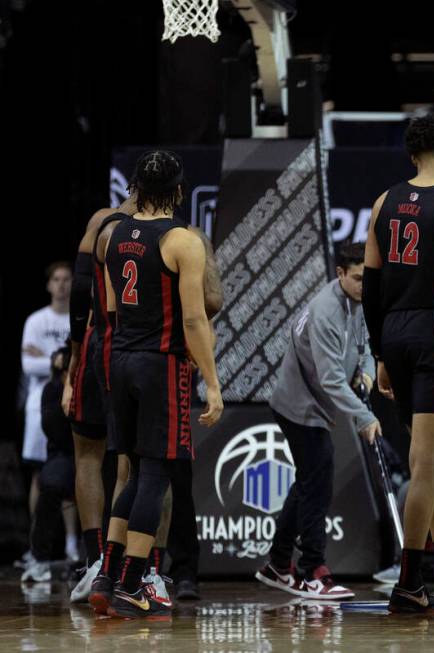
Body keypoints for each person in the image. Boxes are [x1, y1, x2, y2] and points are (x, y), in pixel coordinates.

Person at [90, 150, 222, 619]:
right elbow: (193, 317)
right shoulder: (182, 240)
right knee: (155, 476)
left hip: (119, 357)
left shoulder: (111, 233)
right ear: (180, 191)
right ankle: (132, 584)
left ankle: (108, 574)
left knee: (131, 467)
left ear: (135, 190)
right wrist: (211, 381)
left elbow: (108, 311)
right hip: (159, 363)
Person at [362, 113, 434, 612]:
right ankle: (410, 579)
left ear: (412, 156)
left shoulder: (383, 201)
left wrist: (380, 354)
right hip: (433, 335)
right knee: (427, 466)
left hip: (394, 333)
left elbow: (370, 287)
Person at [255, 243, 374, 601]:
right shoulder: (326, 312)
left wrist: (366, 376)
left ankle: (277, 564)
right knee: (318, 487)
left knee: (309, 482)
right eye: (357, 278)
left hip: (316, 404)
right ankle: (312, 572)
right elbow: (331, 380)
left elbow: (366, 348)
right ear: (340, 274)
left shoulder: (358, 302)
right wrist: (364, 417)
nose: (364, 285)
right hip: (298, 406)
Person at [63, 199, 136, 602]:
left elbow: (79, 292)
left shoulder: (102, 220)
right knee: (135, 459)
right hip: (137, 349)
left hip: (95, 342)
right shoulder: (173, 231)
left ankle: (97, 563)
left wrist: (74, 358)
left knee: (89, 455)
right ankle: (122, 566)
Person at [21, 262, 72, 539]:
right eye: (57, 279)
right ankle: (35, 545)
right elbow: (28, 366)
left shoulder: (77, 319)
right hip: (39, 405)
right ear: (49, 284)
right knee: (41, 474)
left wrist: (48, 355)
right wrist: (60, 359)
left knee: (70, 472)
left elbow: (79, 362)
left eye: (66, 279)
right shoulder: (36, 321)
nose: (62, 285)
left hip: (71, 400)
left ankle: (73, 544)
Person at [20, 345, 76, 583]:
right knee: (50, 481)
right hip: (65, 454)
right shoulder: (51, 391)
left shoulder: (95, 387)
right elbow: (56, 432)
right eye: (64, 371)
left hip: (96, 454)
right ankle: (40, 557)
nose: (67, 376)